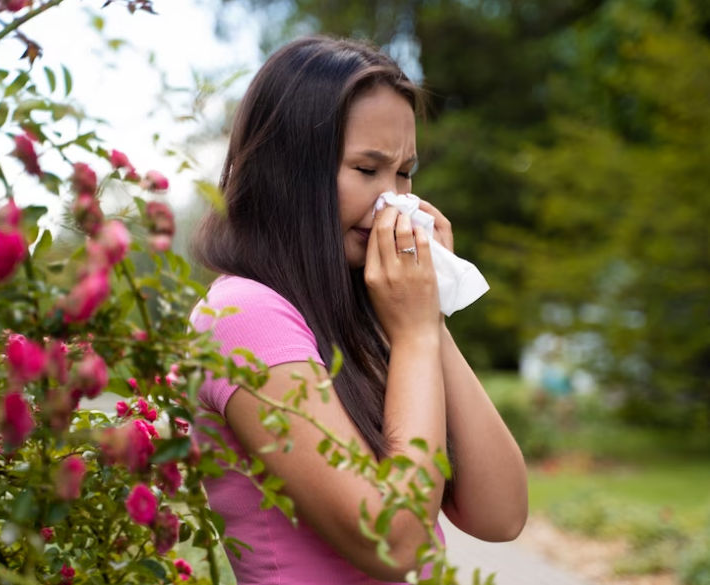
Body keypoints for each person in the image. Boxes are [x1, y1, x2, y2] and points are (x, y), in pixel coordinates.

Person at [189, 36, 528, 585]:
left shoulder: (365, 315)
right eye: (368, 170)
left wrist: (430, 317)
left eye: (404, 173)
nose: (395, 201)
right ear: (289, 173)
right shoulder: (244, 316)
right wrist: (414, 335)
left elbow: (501, 514)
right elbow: (393, 543)